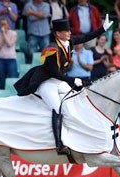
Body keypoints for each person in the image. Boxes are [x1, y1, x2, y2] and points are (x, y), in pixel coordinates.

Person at [14, 15, 113, 155]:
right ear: (58, 33)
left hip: (58, 81)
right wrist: (72, 80)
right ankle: (59, 144)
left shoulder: (69, 41)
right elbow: (54, 73)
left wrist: (102, 29)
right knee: (58, 108)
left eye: (69, 30)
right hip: (47, 82)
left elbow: (85, 37)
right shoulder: (51, 49)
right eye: (66, 31)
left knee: (77, 95)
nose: (69, 33)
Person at [0, 17, 18, 90]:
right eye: (1, 24)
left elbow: (9, 44)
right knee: (1, 80)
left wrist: (4, 34)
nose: (3, 26)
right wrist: (2, 39)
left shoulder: (13, 33)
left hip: (11, 59)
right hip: (0, 59)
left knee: (12, 79)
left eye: (4, 24)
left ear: (8, 24)